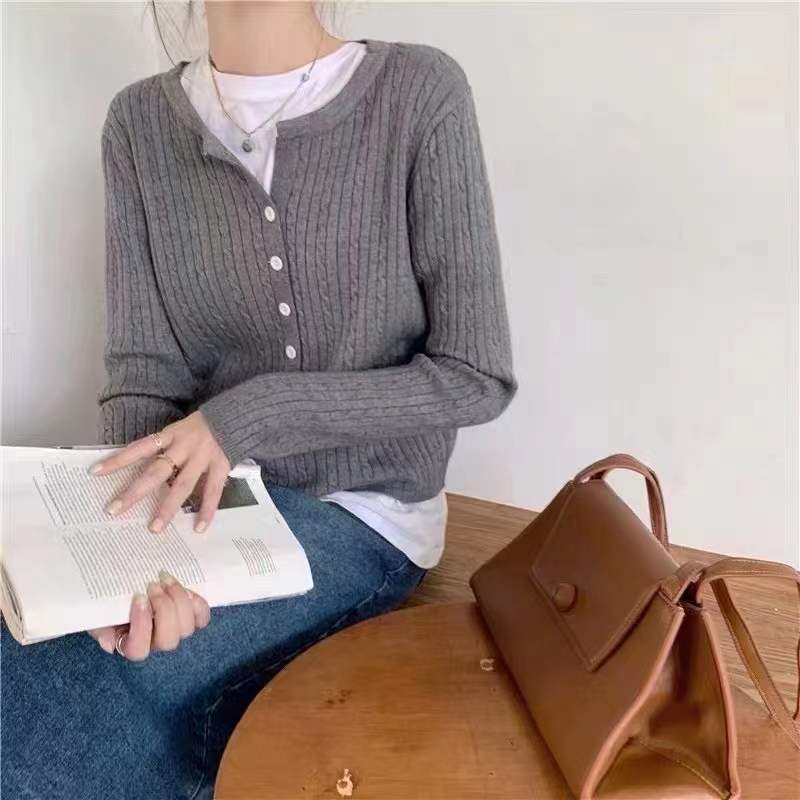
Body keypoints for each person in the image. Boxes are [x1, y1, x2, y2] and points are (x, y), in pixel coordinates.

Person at [0, 1, 517, 797]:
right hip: (195, 509)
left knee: (75, 682)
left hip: (361, 514)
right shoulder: (138, 124)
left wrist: (250, 414)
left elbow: (475, 373)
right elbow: (143, 374)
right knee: (43, 632)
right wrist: (122, 562)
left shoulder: (419, 92)